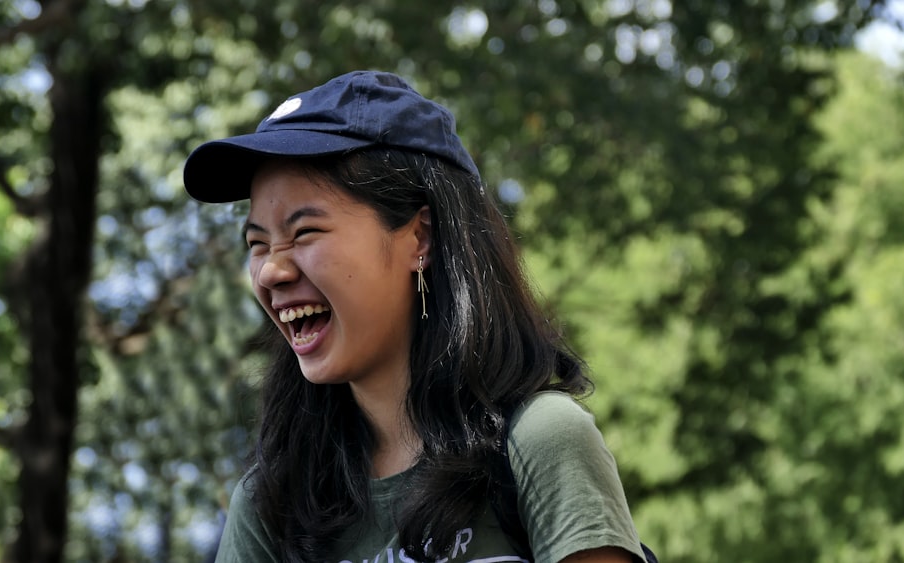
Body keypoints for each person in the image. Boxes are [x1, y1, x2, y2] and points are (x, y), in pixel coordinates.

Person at [184, 70, 649, 563]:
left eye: (304, 233)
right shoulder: (269, 505)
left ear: (420, 237)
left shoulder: (541, 442)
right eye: (257, 243)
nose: (272, 270)